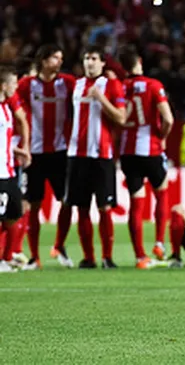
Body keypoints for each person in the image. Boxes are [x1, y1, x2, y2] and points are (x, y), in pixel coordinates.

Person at [16, 45, 76, 270]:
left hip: (60, 152)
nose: (60, 61)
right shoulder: (26, 85)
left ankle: (59, 245)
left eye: (61, 57)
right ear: (43, 60)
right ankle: (34, 257)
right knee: (33, 204)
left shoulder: (67, 83)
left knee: (67, 201)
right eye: (55, 57)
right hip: (35, 154)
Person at [66, 47, 127, 269]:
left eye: (94, 59)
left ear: (103, 64)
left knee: (104, 208)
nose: (89, 62)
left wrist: (101, 98)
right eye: (86, 58)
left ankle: (107, 256)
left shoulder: (111, 85)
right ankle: (88, 257)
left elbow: (121, 117)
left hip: (102, 155)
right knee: (81, 208)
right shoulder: (76, 85)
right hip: (77, 155)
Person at [118, 46, 175, 269]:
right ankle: (160, 243)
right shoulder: (153, 85)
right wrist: (162, 137)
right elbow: (168, 118)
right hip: (150, 149)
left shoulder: (119, 87)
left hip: (127, 152)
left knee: (136, 201)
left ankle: (140, 256)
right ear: (139, 61)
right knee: (161, 194)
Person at [0, 67, 31, 273]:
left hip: (9, 169)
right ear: (3, 86)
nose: (16, 87)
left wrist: (18, 150)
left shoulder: (6, 109)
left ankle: (6, 257)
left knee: (14, 213)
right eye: (13, 83)